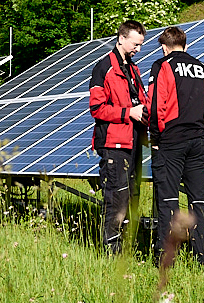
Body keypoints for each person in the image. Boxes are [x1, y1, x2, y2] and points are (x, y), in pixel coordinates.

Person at [148, 25, 204, 264]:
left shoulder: (162, 66)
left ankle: (165, 256)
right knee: (198, 199)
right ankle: (203, 257)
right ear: (185, 45)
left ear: (164, 47)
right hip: (199, 139)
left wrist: (155, 138)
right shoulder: (203, 68)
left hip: (172, 141)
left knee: (168, 200)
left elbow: (156, 107)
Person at [88, 20, 149, 255]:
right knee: (117, 196)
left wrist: (143, 113)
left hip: (134, 140)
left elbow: (139, 100)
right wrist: (128, 113)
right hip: (113, 143)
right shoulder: (104, 68)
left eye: (141, 45)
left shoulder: (133, 69)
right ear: (122, 38)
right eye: (136, 44)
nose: (138, 49)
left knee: (132, 194)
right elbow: (97, 109)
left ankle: (127, 246)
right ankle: (111, 249)